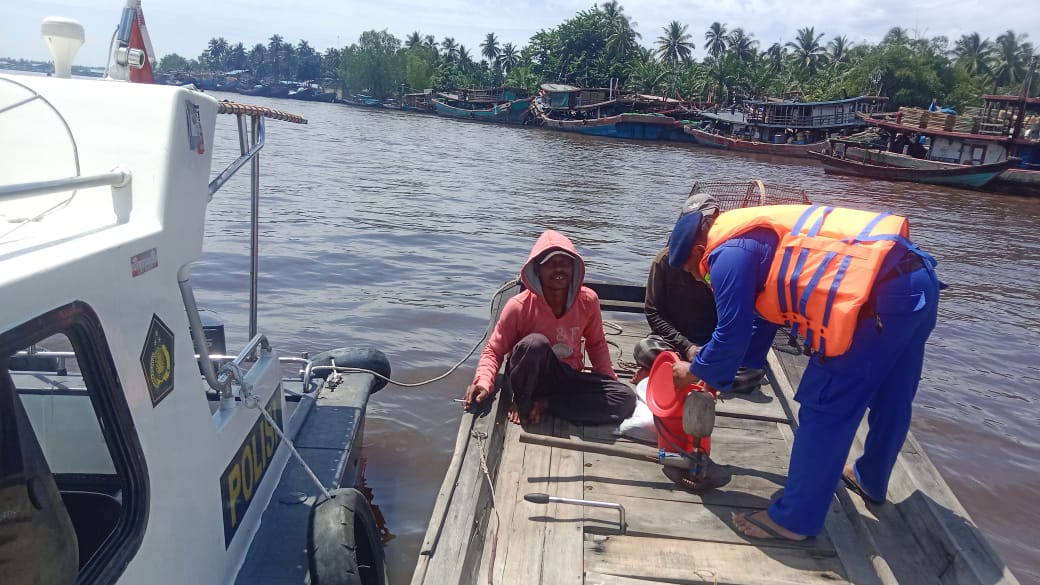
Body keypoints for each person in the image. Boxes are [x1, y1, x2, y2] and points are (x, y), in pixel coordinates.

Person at [667, 203, 941, 542]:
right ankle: (870, 477)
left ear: (699, 250)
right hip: (916, 284)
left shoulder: (725, 255)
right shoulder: (756, 233)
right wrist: (723, 374)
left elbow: (730, 335)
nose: (702, 279)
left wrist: (694, 369)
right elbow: (762, 316)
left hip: (875, 304)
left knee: (824, 405)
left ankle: (795, 520)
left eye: (698, 273)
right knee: (893, 394)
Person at [462, 230, 636, 426]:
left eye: (565, 263)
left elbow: (596, 345)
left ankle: (547, 404)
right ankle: (524, 402)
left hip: (567, 377)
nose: (559, 269)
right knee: (535, 344)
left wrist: (607, 382)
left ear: (574, 268)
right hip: (528, 379)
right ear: (537, 269)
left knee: (625, 399)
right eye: (551, 264)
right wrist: (483, 382)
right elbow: (494, 351)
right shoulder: (518, 306)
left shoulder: (588, 300)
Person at [632, 194, 766, 392]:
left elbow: (736, 322)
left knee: (754, 372)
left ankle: (685, 374)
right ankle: (705, 376)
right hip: (676, 343)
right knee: (644, 348)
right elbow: (653, 313)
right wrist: (687, 347)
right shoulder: (663, 261)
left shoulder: (729, 261)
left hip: (713, 344)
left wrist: (711, 351)